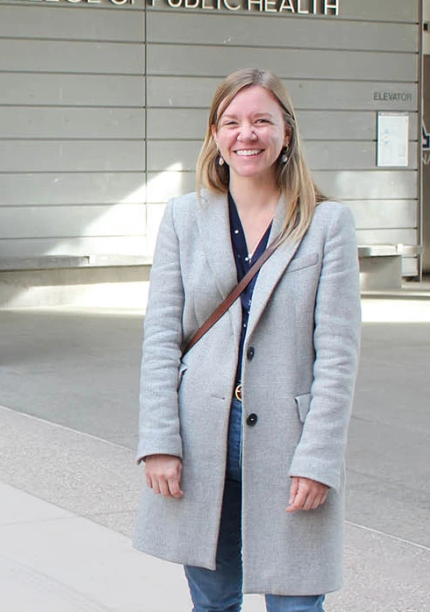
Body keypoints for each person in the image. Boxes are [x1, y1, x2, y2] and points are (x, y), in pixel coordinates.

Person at [134, 68, 361, 611]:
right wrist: (159, 440)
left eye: (262, 120)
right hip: (200, 438)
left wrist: (320, 457)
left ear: (287, 132)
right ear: (215, 135)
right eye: (232, 122)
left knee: (296, 604)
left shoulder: (326, 224)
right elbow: (162, 336)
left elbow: (338, 354)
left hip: (290, 443)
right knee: (212, 604)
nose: (247, 134)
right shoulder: (184, 217)